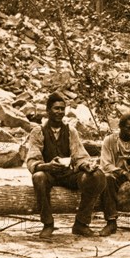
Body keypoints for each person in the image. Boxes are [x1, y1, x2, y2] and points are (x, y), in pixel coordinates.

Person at [26, 92, 106, 239]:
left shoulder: (71, 131)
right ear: (48, 110)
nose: (60, 112)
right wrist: (46, 165)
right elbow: (32, 160)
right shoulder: (38, 132)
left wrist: (86, 166)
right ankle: (48, 223)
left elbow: (80, 155)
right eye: (56, 108)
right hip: (49, 174)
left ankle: (81, 223)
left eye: (62, 109)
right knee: (38, 177)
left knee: (97, 176)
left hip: (68, 174)